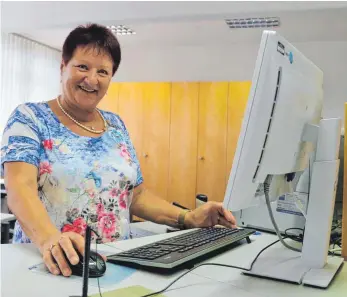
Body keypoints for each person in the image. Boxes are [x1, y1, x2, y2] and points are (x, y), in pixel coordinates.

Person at [1, 23, 236, 277]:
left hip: (115, 265)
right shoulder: (30, 118)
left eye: (103, 71)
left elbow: (135, 196)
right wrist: (50, 239)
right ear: (62, 67)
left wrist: (188, 217)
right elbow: (19, 190)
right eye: (82, 67)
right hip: (51, 266)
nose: (92, 79)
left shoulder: (115, 125)